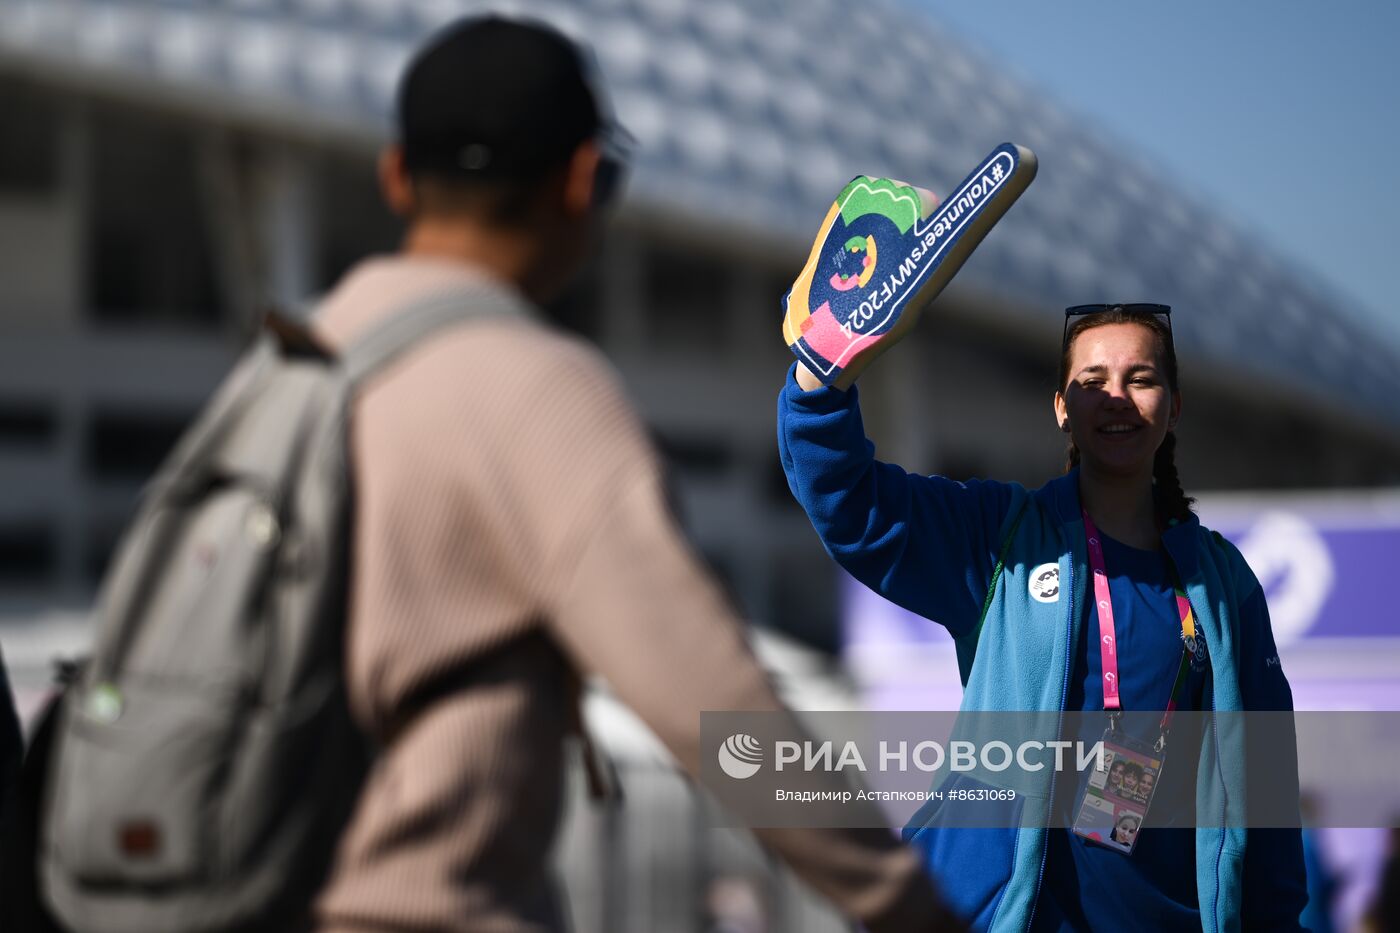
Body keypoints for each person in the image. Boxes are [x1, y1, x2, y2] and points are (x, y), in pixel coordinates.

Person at [307, 15, 957, 933]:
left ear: (395, 176)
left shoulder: (289, 365)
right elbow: (718, 715)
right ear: (582, 182)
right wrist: (902, 903)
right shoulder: (535, 389)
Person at [777, 303, 1307, 931]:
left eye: (1140, 379)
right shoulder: (999, 536)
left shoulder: (1223, 584)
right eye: (1091, 381)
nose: (1116, 397)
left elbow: (1266, 787)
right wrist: (819, 382)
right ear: (1061, 407)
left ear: (1174, 405)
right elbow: (853, 505)